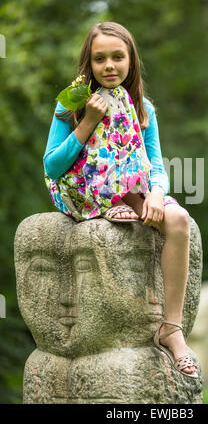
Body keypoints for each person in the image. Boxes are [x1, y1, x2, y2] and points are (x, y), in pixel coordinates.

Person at [43, 21, 197, 378]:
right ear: (89, 64)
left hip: (128, 187)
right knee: (106, 123)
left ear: (131, 62)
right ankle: (112, 203)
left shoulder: (142, 107)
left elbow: (156, 163)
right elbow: (52, 165)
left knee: (178, 219)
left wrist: (157, 193)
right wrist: (89, 121)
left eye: (117, 57)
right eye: (100, 59)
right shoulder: (72, 102)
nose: (109, 65)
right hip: (81, 188)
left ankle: (171, 330)